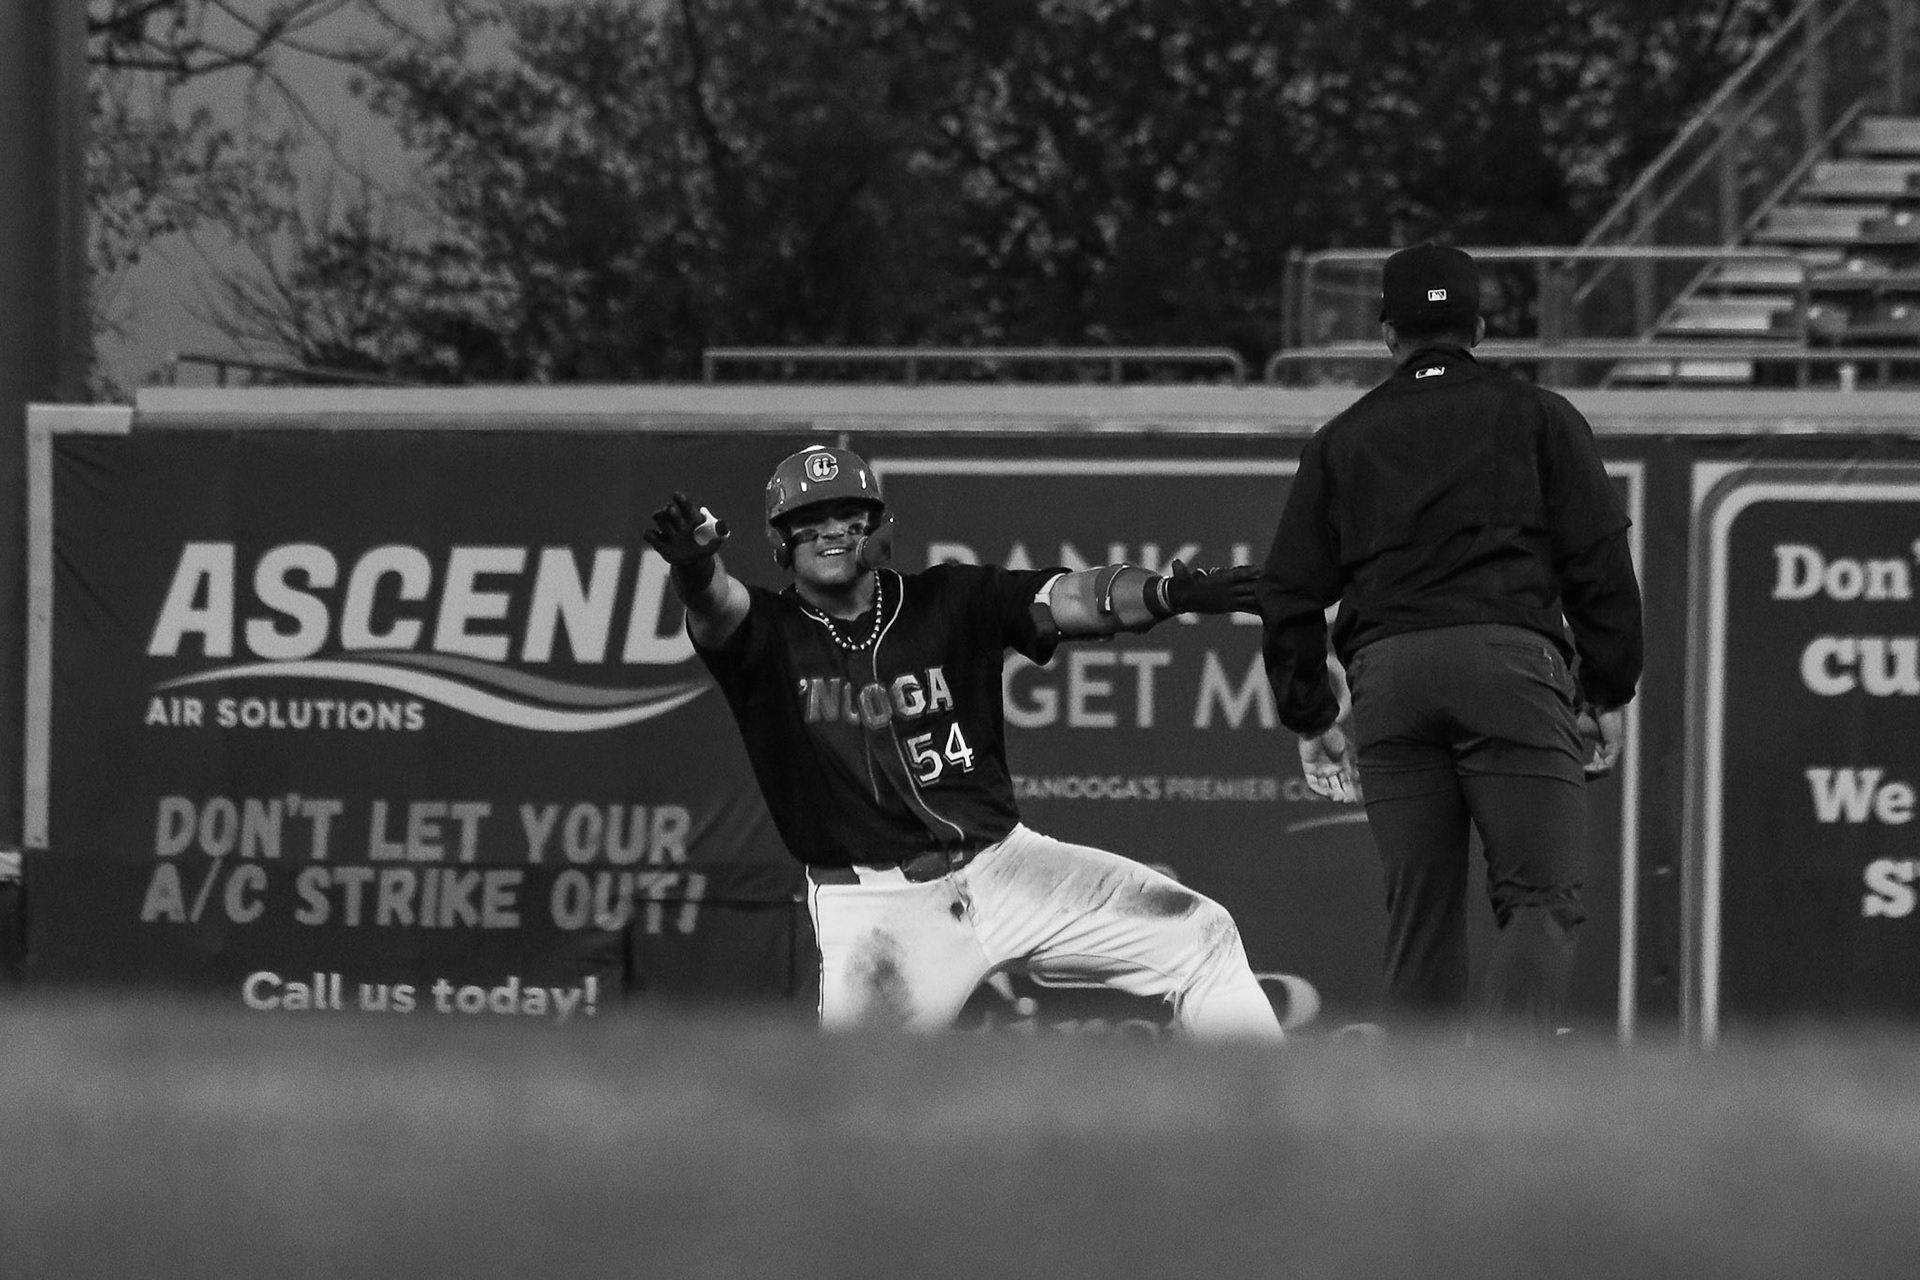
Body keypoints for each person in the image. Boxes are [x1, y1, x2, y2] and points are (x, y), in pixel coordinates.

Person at [643, 444, 1283, 1039]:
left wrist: (1170, 592)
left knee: (1203, 935)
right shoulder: (767, 632)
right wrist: (694, 564)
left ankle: (1276, 1137)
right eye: (810, 521)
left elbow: (1072, 597)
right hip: (876, 907)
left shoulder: (949, 600)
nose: (832, 532)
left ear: (877, 527)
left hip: (1006, 866)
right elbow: (713, 604)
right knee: (855, 1110)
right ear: (781, 541)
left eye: (848, 516)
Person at [1256, 243, 1643, 1034]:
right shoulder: (1539, 414)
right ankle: (1497, 1088)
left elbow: (1289, 590)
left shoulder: (1344, 437)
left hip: (1389, 678)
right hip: (1508, 665)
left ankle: (1420, 1120)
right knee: (1542, 899)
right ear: (1481, 326)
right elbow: (1600, 562)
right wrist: (1606, 688)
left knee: (1421, 918)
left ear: (1386, 333)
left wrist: (1309, 713)